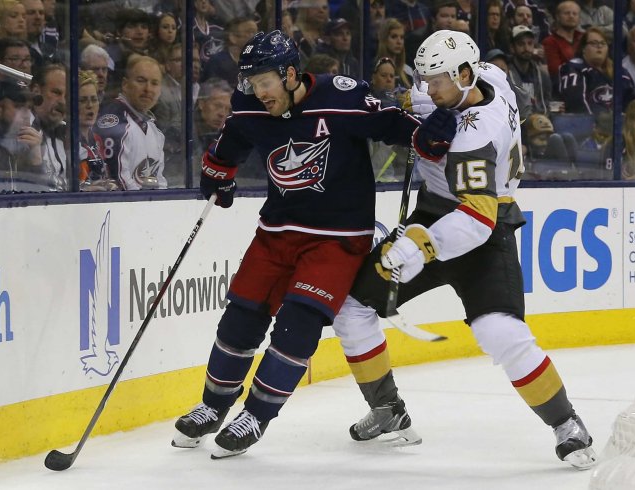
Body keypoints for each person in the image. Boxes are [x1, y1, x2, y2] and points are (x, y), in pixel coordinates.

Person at [171, 29, 456, 459]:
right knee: (240, 319)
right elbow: (229, 144)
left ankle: (257, 415)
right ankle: (212, 407)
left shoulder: (340, 98)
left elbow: (398, 129)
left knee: (298, 323)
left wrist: (426, 136)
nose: (258, 91)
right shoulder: (249, 106)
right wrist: (216, 172)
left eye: (265, 81)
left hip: (337, 239)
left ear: (289, 74)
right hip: (277, 233)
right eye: (251, 82)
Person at [330, 29, 598, 469]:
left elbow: (477, 220)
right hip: (435, 211)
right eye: (425, 77)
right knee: (352, 307)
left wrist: (419, 246)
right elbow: (427, 97)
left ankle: (566, 424)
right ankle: (387, 410)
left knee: (501, 333)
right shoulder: (490, 75)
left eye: (435, 81)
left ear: (464, 74)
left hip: (482, 231)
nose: (427, 88)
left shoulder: (475, 135)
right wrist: (405, 100)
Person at [94, 55, 167, 190]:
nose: (148, 89)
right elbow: (117, 182)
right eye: (141, 80)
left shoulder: (154, 130)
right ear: (125, 85)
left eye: (154, 83)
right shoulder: (113, 121)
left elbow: (159, 180)